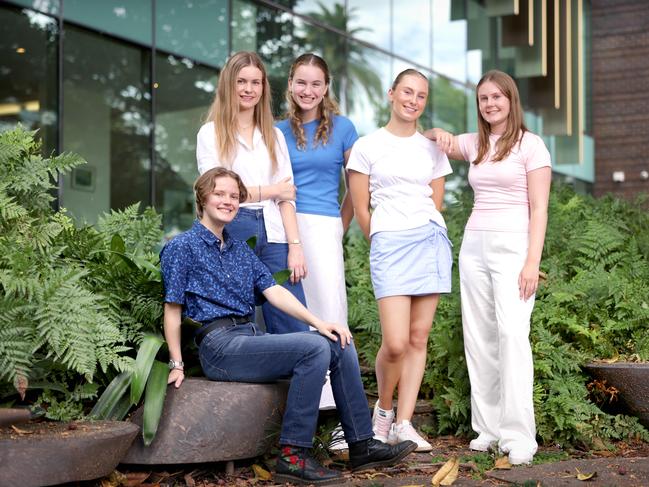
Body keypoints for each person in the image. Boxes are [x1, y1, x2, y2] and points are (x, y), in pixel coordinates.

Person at [161, 167, 417, 485]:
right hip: (220, 346)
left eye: (233, 196)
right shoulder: (181, 246)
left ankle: (362, 444)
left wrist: (320, 322)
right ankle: (293, 457)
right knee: (311, 349)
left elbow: (275, 291)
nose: (228, 201)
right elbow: (172, 309)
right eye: (219, 194)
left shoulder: (240, 249)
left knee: (337, 341)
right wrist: (177, 363)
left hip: (248, 337)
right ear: (202, 198)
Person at [425, 69, 552, 465]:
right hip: (474, 247)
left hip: (514, 248)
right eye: (483, 98)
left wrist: (533, 261)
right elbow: (427, 137)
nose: (491, 103)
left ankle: (519, 435)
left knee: (512, 335)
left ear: (511, 100)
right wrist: (440, 134)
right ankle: (488, 429)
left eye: (497, 96)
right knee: (479, 337)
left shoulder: (532, 146)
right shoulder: (478, 143)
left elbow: (541, 208)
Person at [347, 69, 453, 452]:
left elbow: (435, 200)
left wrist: (420, 228)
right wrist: (383, 237)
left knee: (417, 337)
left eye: (421, 95)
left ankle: (405, 423)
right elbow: (361, 210)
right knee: (394, 342)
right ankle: (384, 413)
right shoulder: (367, 146)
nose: (413, 100)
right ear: (391, 94)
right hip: (390, 242)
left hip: (429, 239)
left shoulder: (432, 147)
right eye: (407, 91)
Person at [196, 51, 308, 335]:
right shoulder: (210, 134)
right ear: (228, 85)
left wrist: (295, 246)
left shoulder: (275, 135)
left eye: (256, 83)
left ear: (263, 87)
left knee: (294, 326)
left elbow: (287, 196)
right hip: (233, 230)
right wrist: (271, 189)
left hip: (276, 233)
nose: (249, 89)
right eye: (241, 81)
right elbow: (218, 193)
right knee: (237, 323)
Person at [276, 53, 358, 413]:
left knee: (331, 311)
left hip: (324, 227)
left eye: (315, 84)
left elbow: (357, 189)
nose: (307, 91)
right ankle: (308, 407)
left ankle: (340, 413)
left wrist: (338, 226)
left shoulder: (344, 128)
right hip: (284, 227)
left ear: (326, 88)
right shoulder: (276, 132)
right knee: (294, 314)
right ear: (290, 85)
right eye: (301, 83)